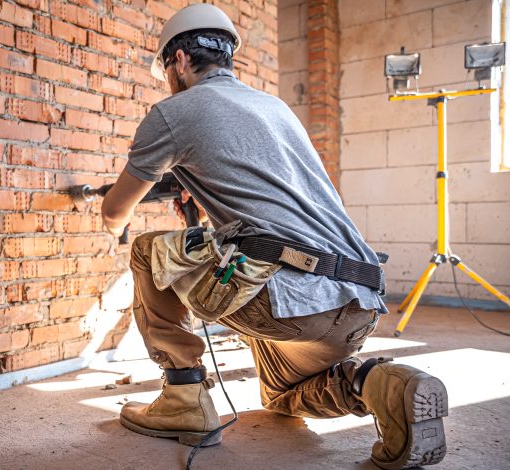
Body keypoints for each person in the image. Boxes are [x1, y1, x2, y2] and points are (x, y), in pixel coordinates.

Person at [99, 4, 448, 469]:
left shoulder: (172, 113)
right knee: (280, 395)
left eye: (167, 69)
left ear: (178, 60)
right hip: (357, 302)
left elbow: (114, 212)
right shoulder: (273, 106)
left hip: (287, 301)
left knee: (148, 251)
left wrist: (128, 209)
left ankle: (182, 395)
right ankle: (377, 384)